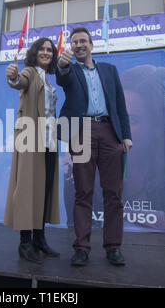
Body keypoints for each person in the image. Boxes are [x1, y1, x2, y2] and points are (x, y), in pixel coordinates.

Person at [56, 27, 132, 266]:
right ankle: (81, 247)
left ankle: (113, 247)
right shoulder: (70, 70)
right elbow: (62, 77)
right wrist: (63, 65)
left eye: (83, 41)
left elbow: (120, 105)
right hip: (81, 133)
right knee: (83, 192)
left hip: (110, 133)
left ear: (91, 45)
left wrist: (126, 135)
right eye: (74, 42)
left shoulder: (109, 70)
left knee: (113, 194)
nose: (78, 45)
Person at [4, 37, 60, 264]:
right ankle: (24, 243)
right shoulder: (29, 72)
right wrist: (12, 76)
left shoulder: (47, 79)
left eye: (50, 50)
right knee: (28, 189)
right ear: (35, 53)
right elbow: (19, 82)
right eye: (42, 49)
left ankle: (40, 239)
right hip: (29, 139)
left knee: (44, 190)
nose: (46, 52)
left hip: (48, 141)